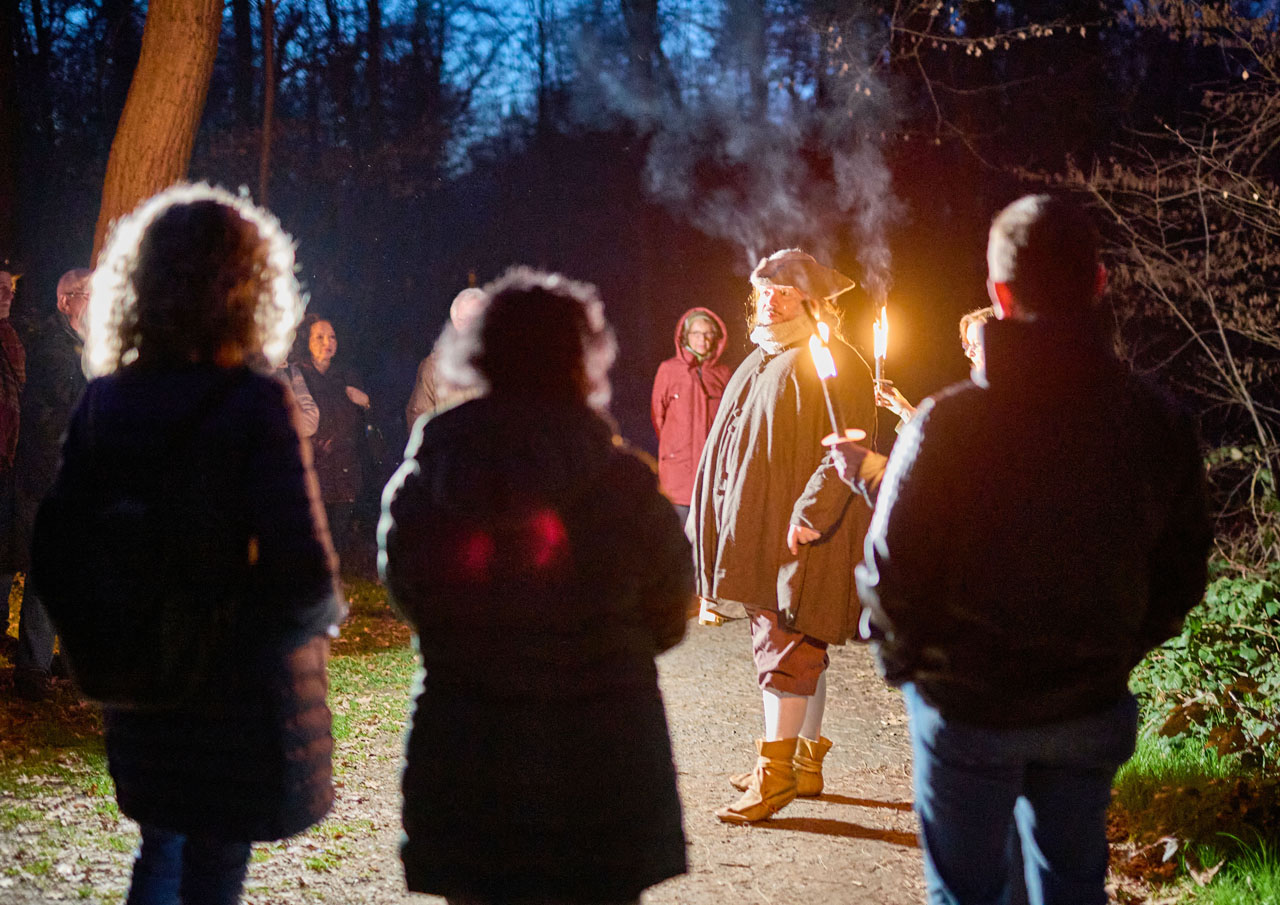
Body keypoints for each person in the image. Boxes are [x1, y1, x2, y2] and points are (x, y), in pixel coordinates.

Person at [855, 195, 1212, 905]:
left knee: (970, 894)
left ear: (999, 294)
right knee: (1073, 886)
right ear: (1099, 283)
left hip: (969, 710)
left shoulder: (945, 425)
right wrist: (1117, 649)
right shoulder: (1157, 420)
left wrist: (918, 673)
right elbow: (1181, 572)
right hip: (1086, 705)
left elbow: (890, 573)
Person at [32, 184, 342, 904]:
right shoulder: (253, 402)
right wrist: (235, 634)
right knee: (211, 868)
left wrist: (115, 635)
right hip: (229, 697)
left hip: (140, 683)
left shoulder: (106, 400)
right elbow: (303, 574)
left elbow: (56, 542)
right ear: (249, 288)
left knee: (159, 847)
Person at [380, 267, 691, 905]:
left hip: (472, 755)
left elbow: (411, 593)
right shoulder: (624, 483)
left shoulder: (431, 473)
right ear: (583, 355)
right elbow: (669, 610)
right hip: (601, 762)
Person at [688, 248, 875, 824]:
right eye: (764, 289)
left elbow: (847, 447)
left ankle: (776, 777)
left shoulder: (830, 360)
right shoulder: (763, 356)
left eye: (785, 291)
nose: (770, 298)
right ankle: (803, 762)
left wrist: (810, 514)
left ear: (811, 300)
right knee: (797, 639)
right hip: (761, 524)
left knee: (788, 642)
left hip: (801, 531)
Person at [10, 267, 90, 700]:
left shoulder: (86, 346)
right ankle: (33, 668)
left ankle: (66, 658)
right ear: (66, 301)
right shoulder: (53, 347)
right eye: (89, 295)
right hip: (49, 474)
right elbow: (72, 398)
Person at [296, 314, 370, 566]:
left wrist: (366, 402)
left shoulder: (346, 374)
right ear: (307, 341)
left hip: (345, 466)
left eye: (332, 337)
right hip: (315, 464)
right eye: (319, 337)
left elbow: (367, 417)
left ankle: (331, 576)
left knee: (338, 529)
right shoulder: (300, 376)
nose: (327, 342)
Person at [650, 307, 731, 523]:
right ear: (685, 336)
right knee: (677, 542)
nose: (702, 339)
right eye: (696, 333)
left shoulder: (724, 374)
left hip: (713, 477)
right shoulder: (668, 370)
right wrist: (675, 446)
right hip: (678, 476)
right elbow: (658, 417)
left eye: (708, 334)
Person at [873, 306, 995, 425]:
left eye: (977, 344)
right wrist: (904, 410)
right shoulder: (972, 401)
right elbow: (946, 441)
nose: (969, 353)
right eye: (968, 345)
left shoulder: (998, 404)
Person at [404, 286, 487, 429]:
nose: (470, 327)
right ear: (455, 323)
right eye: (463, 320)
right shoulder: (434, 367)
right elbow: (419, 422)